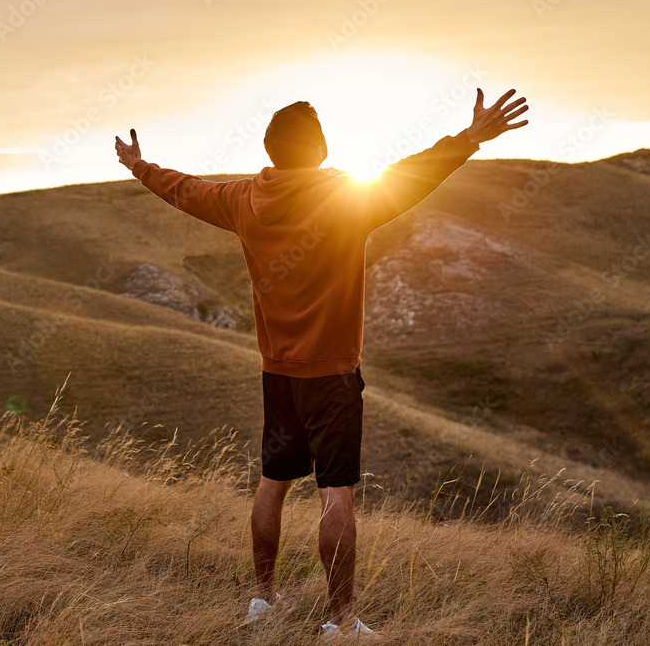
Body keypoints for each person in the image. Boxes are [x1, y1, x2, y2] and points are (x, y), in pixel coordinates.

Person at [114, 88, 529, 638]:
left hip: (276, 370)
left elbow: (184, 189)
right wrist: (471, 138)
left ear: (269, 150)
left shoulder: (242, 198)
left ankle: (262, 599)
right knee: (336, 494)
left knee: (273, 483)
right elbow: (414, 173)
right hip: (332, 374)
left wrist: (138, 164)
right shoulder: (345, 198)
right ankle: (340, 621)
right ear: (322, 149)